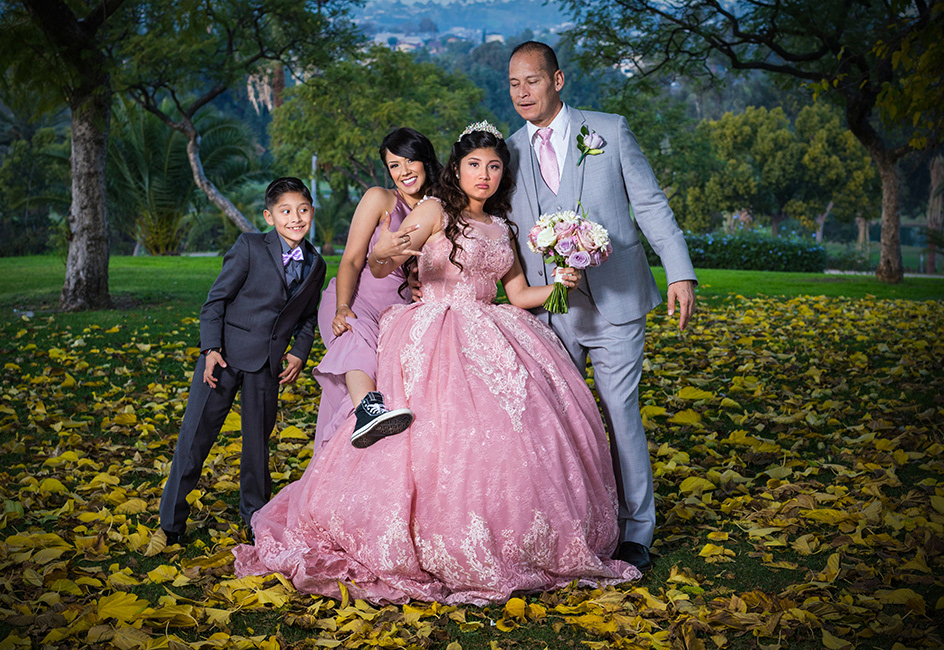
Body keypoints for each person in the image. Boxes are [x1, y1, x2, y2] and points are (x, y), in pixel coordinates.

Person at [232, 124, 641, 605]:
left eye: (493, 166)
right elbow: (381, 264)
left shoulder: (503, 226)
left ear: (502, 174)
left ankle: (507, 531)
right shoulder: (434, 210)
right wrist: (384, 253)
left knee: (508, 429)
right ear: (456, 169)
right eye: (474, 165)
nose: (484, 175)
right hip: (433, 327)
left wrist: (560, 286)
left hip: (492, 323)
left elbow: (517, 295)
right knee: (435, 429)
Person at [505, 41, 698, 572]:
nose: (522, 93)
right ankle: (579, 526)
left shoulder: (609, 131)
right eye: (514, 84)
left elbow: (649, 204)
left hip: (617, 300)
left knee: (620, 413)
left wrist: (679, 270)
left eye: (532, 81)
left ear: (557, 80)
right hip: (549, 310)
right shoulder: (509, 152)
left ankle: (636, 531)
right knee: (561, 421)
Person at [159, 177, 326, 547]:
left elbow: (308, 317)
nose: (295, 218)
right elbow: (215, 301)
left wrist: (299, 352)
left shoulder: (316, 264)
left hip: (266, 366)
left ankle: (255, 518)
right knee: (195, 438)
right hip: (223, 359)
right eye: (285, 211)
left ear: (312, 212)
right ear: (269, 216)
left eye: (302, 210)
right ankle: (170, 522)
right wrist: (210, 349)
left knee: (257, 448)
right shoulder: (249, 246)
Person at [313, 128, 443, 450]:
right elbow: (351, 260)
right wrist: (343, 306)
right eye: (394, 165)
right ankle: (368, 412)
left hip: (397, 312)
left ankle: (349, 454)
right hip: (355, 299)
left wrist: (416, 279)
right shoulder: (380, 199)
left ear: (425, 160)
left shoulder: (440, 207)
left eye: (410, 160)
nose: (404, 171)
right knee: (355, 342)